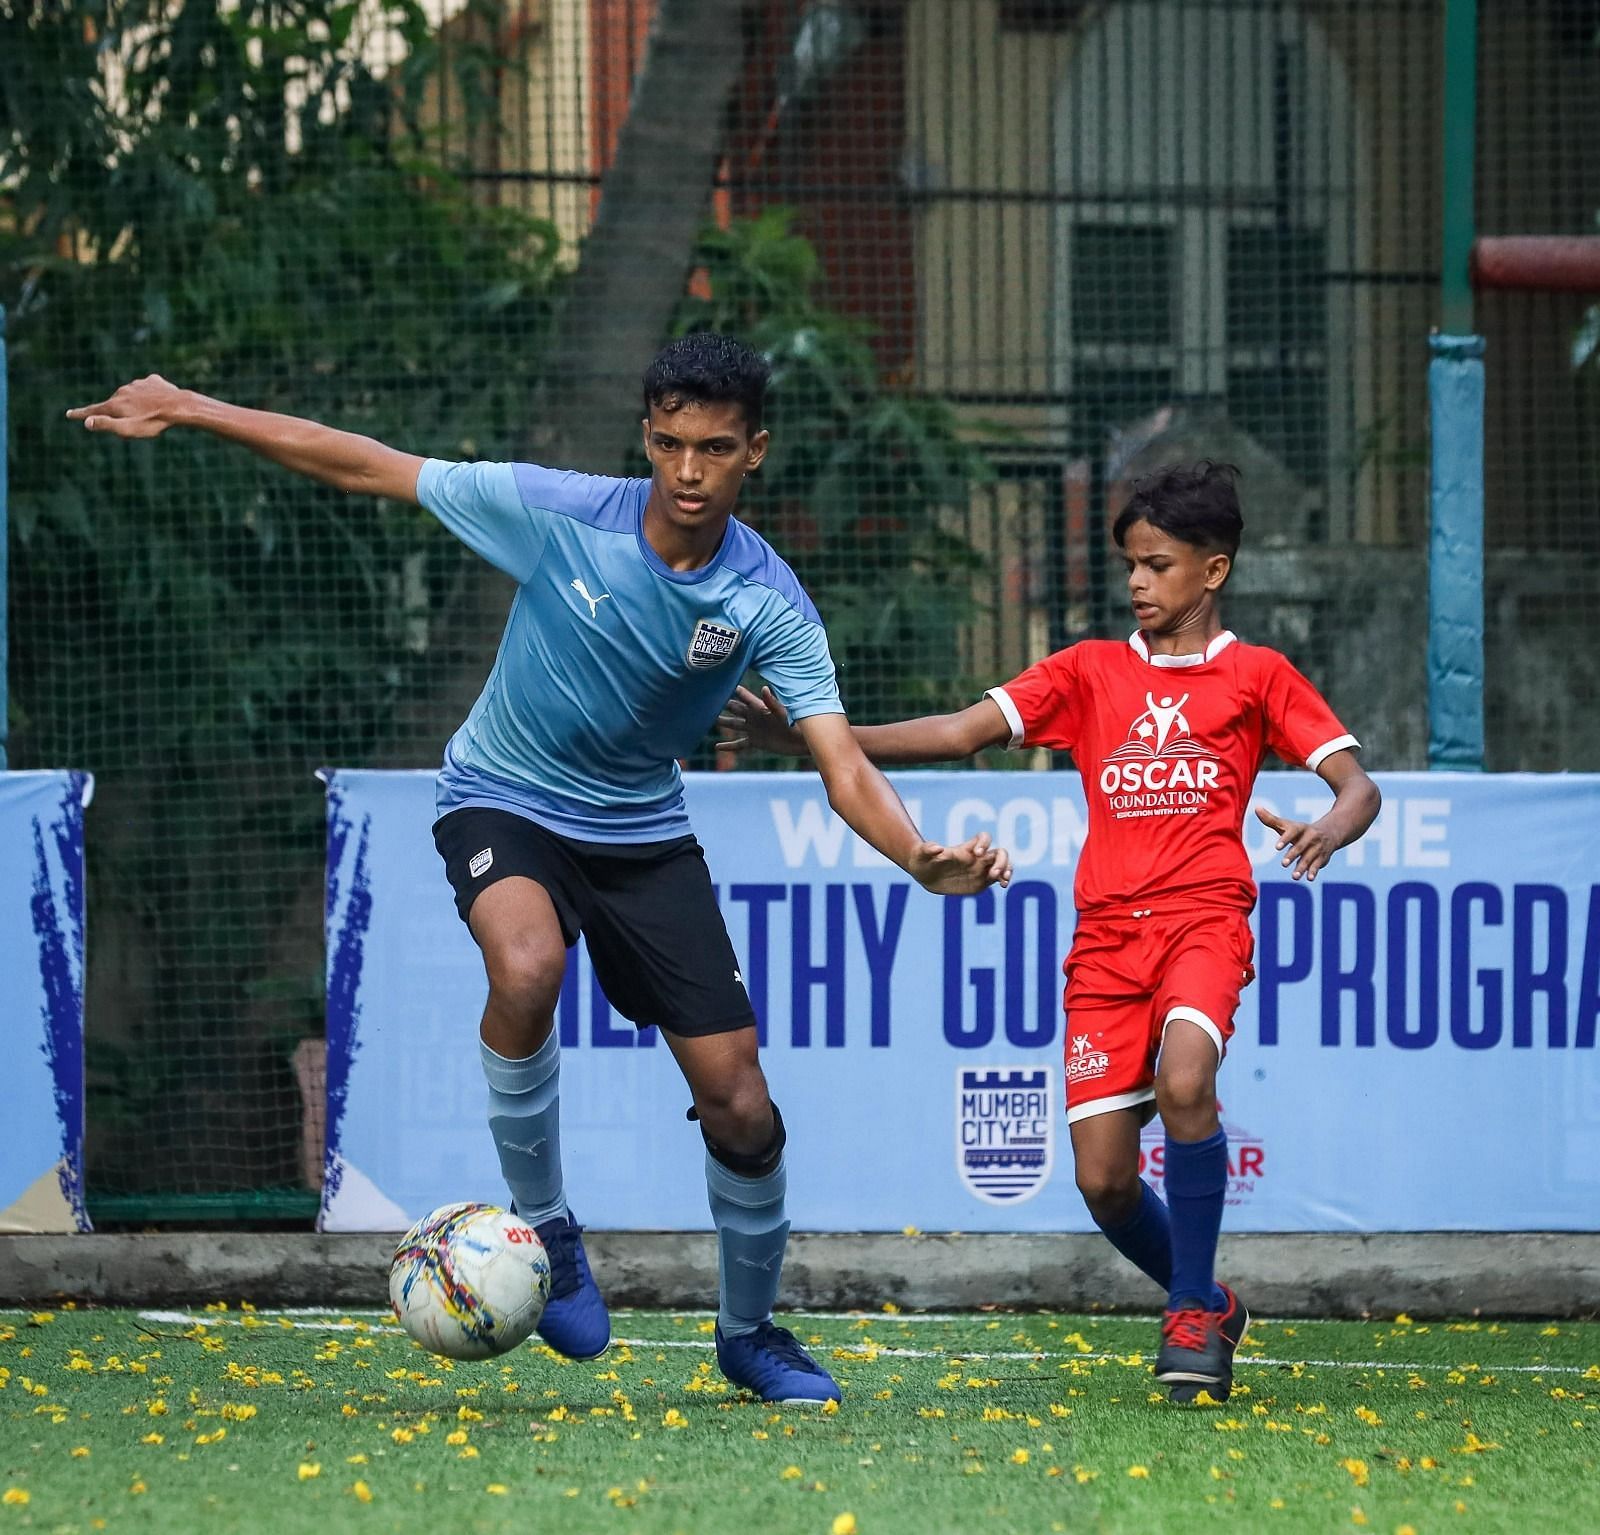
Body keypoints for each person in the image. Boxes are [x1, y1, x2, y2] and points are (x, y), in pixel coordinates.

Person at [69, 334, 1012, 1405]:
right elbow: (367, 462)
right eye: (668, 444)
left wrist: (916, 860)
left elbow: (840, 762)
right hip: (501, 797)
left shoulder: (767, 600)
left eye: (713, 448)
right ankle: (550, 1228)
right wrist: (189, 405)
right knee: (525, 966)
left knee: (741, 1101)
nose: (688, 472)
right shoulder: (563, 512)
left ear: (756, 450)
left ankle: (750, 1333)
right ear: (646, 437)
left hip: (644, 834)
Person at [719, 461, 1380, 1403]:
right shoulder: (1087, 671)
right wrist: (810, 738)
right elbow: (957, 731)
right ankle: (1212, 1299)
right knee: (1105, 1182)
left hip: (1204, 922)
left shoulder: (1258, 676)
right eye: (1131, 567)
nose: (1140, 583)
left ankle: (1189, 1308)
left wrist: (1327, 825)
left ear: (1215, 570)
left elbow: (1359, 785)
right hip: (1106, 946)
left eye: (1158, 565)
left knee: (1187, 1078)